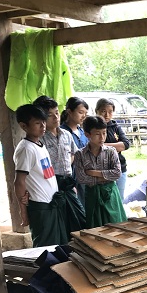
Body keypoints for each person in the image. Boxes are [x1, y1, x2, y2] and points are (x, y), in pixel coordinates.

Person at [13, 104, 68, 247]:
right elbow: (19, 181)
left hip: (51, 203)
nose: (43, 126)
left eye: (43, 121)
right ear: (24, 126)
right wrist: (23, 211)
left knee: (58, 246)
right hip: (41, 207)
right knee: (45, 248)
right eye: (37, 123)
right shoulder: (26, 149)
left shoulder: (39, 144)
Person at [33, 95, 86, 236]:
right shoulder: (39, 139)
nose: (55, 117)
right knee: (57, 225)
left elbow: (74, 153)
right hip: (49, 186)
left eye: (56, 112)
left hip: (67, 183)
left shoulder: (66, 134)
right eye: (50, 115)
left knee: (79, 220)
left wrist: (66, 168)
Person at [73, 116, 127, 228]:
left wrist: (94, 173)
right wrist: (106, 176)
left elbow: (117, 173)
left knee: (115, 224)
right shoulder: (80, 154)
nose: (102, 137)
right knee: (95, 226)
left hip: (110, 193)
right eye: (97, 134)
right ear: (87, 134)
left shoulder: (111, 151)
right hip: (92, 194)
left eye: (104, 133)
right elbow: (81, 178)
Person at [95, 98, 130, 200]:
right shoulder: (92, 128)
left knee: (119, 199)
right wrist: (116, 147)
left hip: (120, 167)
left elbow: (126, 144)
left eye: (110, 112)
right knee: (104, 200)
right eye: (103, 111)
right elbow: (93, 147)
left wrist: (103, 146)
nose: (107, 115)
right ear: (96, 111)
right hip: (101, 170)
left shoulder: (116, 127)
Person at [61, 97, 90, 204]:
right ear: (69, 112)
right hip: (71, 179)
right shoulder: (62, 133)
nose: (84, 116)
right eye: (80, 112)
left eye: (85, 113)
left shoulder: (83, 132)